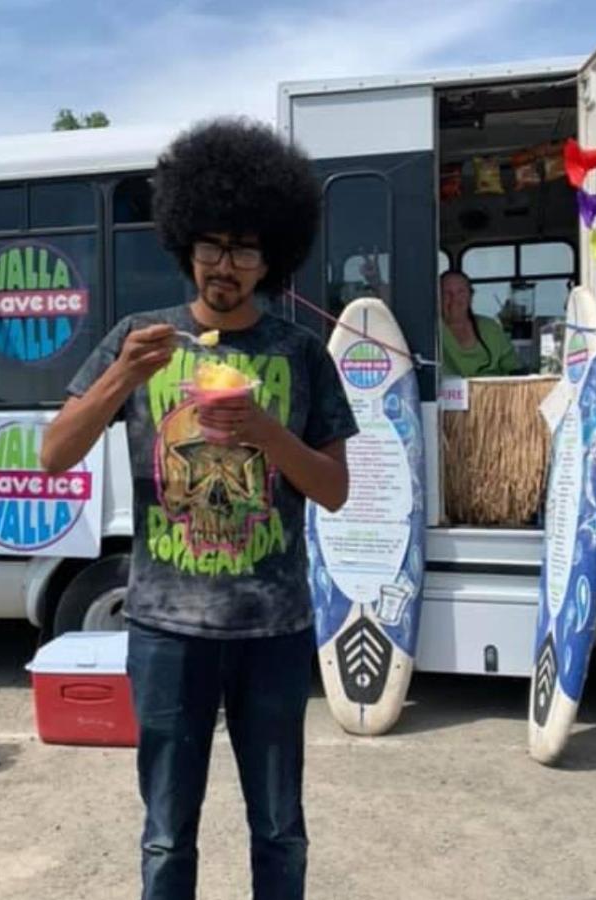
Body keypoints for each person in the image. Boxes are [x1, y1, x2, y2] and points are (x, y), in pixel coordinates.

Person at [41, 117, 359, 900]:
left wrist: (263, 430)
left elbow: (335, 489)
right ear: (185, 244)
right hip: (164, 630)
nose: (227, 265)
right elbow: (54, 454)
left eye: (246, 249)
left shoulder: (299, 353)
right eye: (212, 245)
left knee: (280, 828)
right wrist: (120, 376)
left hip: (274, 631)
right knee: (165, 834)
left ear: (270, 257)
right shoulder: (137, 341)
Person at [440, 270, 520, 377]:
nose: (454, 299)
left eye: (461, 292)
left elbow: (514, 369)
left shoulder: (491, 328)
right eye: (447, 293)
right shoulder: (429, 332)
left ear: (470, 296)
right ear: (437, 297)